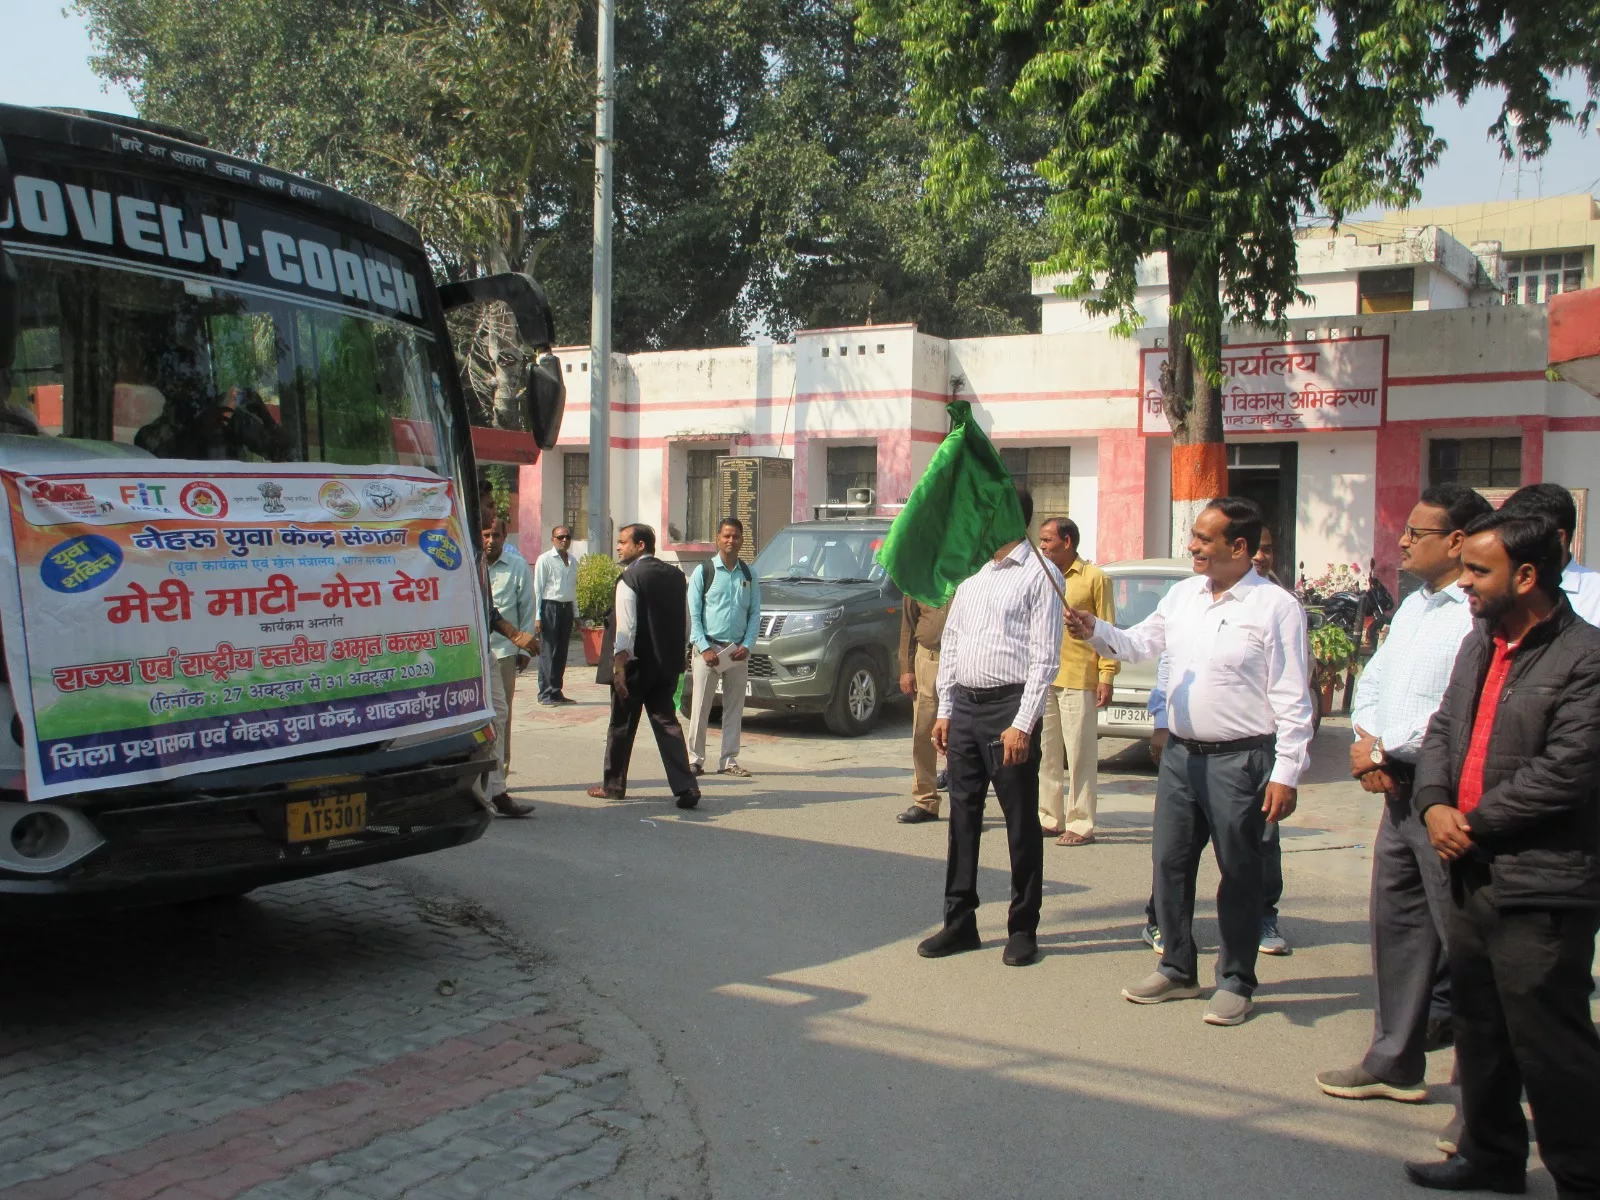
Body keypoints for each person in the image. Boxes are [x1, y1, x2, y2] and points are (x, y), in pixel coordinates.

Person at [1401, 510, 1600, 1196]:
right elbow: (1443, 728)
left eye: (1479, 572)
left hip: (1542, 880)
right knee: (1480, 1031)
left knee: (1551, 1043)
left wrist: (1475, 823)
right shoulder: (1479, 643)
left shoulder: (1587, 657)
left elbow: (1570, 768)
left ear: (1527, 575)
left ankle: (1582, 1174)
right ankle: (1490, 1156)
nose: (1466, 584)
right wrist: (1432, 805)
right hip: (1471, 874)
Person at [1067, 497, 1312, 1026]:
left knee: (1239, 873)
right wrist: (1095, 630)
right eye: (1195, 536)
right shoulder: (1182, 596)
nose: (1192, 546)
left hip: (1242, 761)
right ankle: (1177, 966)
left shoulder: (1276, 608)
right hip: (1180, 757)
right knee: (1170, 864)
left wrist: (1286, 772)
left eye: (1204, 538)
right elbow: (1138, 645)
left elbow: (1294, 698)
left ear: (1238, 547)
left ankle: (1237, 980)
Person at [1314, 483, 1492, 1106]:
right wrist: (1365, 742)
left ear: (1458, 541)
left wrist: (1384, 748)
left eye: (1418, 532)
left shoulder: (1478, 612)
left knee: (1466, 943)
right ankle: (1394, 1061)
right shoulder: (1416, 606)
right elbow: (1377, 677)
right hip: (1397, 788)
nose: (1404, 540)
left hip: (1448, 794)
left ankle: (1479, 1097)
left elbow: (1457, 712)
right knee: (1398, 928)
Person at [917, 487, 1063, 968]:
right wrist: (945, 709)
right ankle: (959, 921)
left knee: (1021, 823)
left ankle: (1023, 928)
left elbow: (1045, 658)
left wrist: (1024, 723)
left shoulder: (1040, 575)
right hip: (965, 712)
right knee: (963, 821)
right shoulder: (973, 576)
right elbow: (954, 641)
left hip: (1009, 711)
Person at [587, 524, 701, 809]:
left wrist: (619, 668)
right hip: (666, 666)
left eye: (623, 542)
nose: (618, 547)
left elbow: (626, 628)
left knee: (621, 726)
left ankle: (613, 786)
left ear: (640, 545)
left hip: (635, 668)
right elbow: (685, 622)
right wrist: (679, 657)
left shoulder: (630, 578)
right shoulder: (677, 576)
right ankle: (686, 787)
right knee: (667, 724)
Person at [1035, 517, 1116, 844]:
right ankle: (1048, 817)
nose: (1042, 546)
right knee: (1046, 753)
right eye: (1040, 540)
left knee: (1080, 754)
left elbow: (1108, 628)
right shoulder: (1041, 576)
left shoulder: (1095, 578)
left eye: (1047, 540)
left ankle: (1080, 823)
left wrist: (1107, 674)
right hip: (1045, 676)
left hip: (1080, 677)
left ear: (1067, 542)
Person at [687, 517, 762, 778]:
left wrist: (748, 645)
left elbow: (755, 614)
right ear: (717, 538)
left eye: (736, 536)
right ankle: (695, 760)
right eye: (726, 536)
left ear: (742, 540)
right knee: (700, 708)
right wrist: (703, 646)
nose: (731, 541)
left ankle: (728, 760)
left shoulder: (749, 574)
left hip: (736, 652)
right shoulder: (704, 571)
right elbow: (694, 614)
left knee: (734, 708)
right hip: (707, 651)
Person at [477, 496, 537, 818]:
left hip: (497, 652)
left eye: (496, 530)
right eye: (486, 526)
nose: (490, 537)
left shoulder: (513, 565)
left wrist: (521, 642)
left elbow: (517, 607)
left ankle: (498, 787)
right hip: (469, 649)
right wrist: (517, 635)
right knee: (481, 719)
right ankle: (481, 785)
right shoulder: (465, 557)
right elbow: (488, 612)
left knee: (500, 714)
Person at [1501, 481, 1600, 624]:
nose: (1512, 545)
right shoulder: (1497, 589)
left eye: (1522, 535)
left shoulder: (1595, 596)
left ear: (1558, 539)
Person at [895, 593, 949, 823]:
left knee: (964, 734)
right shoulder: (919, 575)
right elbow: (908, 623)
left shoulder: (970, 568)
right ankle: (925, 801)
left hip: (965, 659)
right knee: (923, 731)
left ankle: (966, 804)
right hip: (927, 659)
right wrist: (906, 668)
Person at [533, 526, 579, 705]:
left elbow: (573, 588)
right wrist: (537, 616)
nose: (564, 540)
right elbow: (538, 589)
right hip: (550, 607)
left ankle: (556, 690)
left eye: (567, 537)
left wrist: (576, 613)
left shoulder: (573, 561)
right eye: (560, 537)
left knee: (561, 651)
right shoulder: (544, 560)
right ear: (553, 539)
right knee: (548, 651)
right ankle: (545, 693)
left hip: (566, 608)